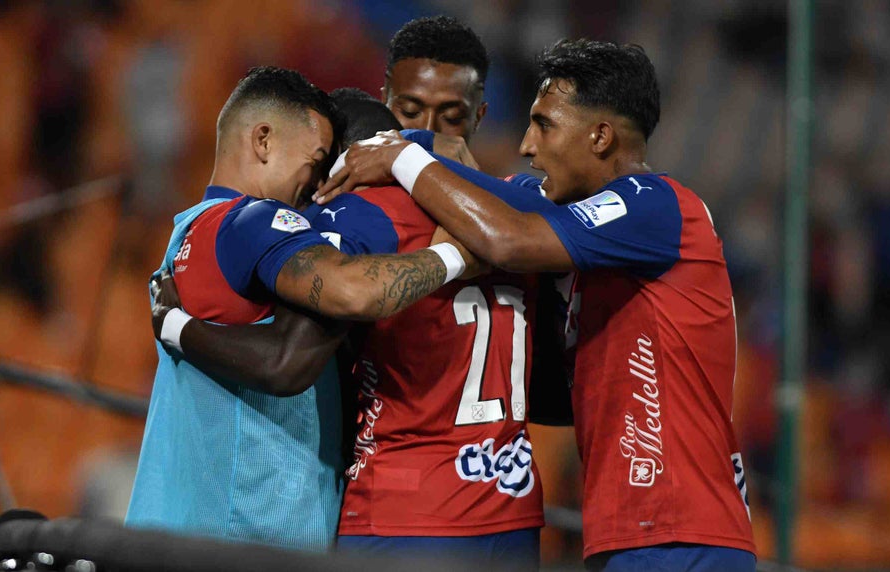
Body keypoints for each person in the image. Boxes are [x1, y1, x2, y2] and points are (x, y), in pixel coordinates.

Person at [317, 39, 758, 571]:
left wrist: (404, 155)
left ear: (600, 136)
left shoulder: (657, 205)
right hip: (631, 531)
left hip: (680, 531)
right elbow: (510, 204)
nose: (527, 145)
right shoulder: (599, 243)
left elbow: (509, 238)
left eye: (544, 125)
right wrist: (433, 151)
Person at [152, 87, 546, 570]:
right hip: (512, 498)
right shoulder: (510, 211)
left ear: (347, 163)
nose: (311, 188)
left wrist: (173, 325)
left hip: (403, 507)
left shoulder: (346, 214)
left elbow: (291, 356)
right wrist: (428, 155)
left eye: (321, 165)